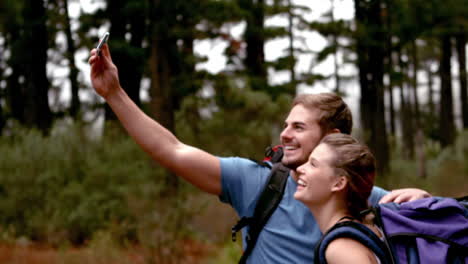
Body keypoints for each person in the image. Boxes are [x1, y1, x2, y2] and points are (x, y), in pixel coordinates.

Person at [88, 44, 430, 263]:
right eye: (286, 125)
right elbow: (173, 150)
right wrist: (114, 93)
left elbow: (437, 234)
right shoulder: (256, 183)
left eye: (299, 127)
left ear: (333, 138)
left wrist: (424, 201)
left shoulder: (367, 199)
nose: (284, 134)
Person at [294, 133, 385, 263]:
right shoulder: (360, 230)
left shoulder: (341, 248)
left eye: (313, 164)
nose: (299, 168)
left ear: (338, 183)